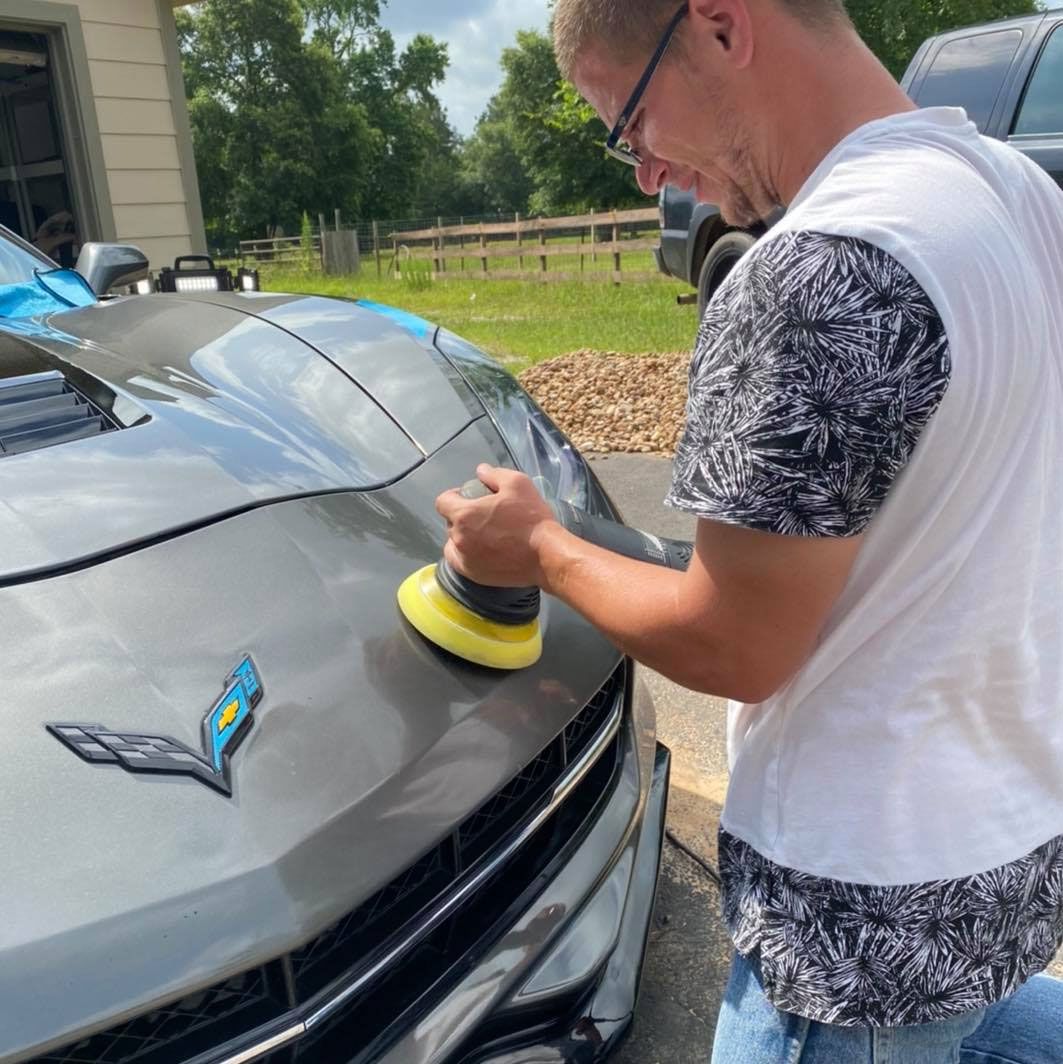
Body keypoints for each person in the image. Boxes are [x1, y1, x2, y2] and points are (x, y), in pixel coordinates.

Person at [435, 0, 1063, 1060]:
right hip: (1008, 843)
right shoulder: (1021, 196)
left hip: (861, 914)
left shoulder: (815, 276)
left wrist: (538, 546)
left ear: (722, 26)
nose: (644, 173)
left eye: (628, 123)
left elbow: (733, 644)